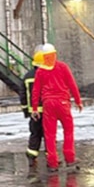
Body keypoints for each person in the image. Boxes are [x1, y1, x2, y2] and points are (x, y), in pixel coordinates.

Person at [30, 43, 83, 173]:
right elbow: (72, 84)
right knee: (68, 131)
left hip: (48, 104)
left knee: (49, 134)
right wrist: (78, 101)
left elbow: (36, 91)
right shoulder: (62, 67)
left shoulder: (41, 71)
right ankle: (70, 158)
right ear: (55, 53)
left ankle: (52, 163)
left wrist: (35, 108)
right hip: (63, 103)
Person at [20, 45, 47, 169]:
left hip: (34, 112)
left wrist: (26, 110)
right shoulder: (47, 74)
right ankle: (51, 156)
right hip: (47, 111)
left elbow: (23, 95)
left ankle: (31, 157)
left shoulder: (27, 76)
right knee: (48, 134)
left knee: (35, 134)